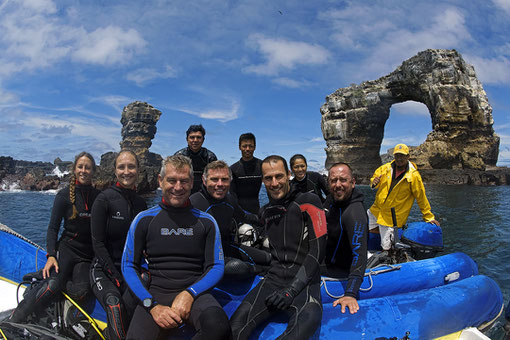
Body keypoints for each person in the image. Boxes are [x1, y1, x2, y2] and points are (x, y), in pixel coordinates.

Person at [121, 155, 230, 340]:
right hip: (155, 295)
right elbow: (128, 266)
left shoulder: (206, 221)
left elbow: (216, 266)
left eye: (184, 181)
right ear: (160, 181)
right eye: (172, 180)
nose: (178, 187)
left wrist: (190, 294)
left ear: (192, 183)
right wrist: (151, 305)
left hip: (196, 294)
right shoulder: (144, 220)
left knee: (218, 325)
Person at [230, 155, 327, 340]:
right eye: (268, 178)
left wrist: (291, 290)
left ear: (288, 175)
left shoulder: (309, 201)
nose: (274, 183)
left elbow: (318, 252)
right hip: (272, 282)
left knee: (302, 328)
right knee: (234, 328)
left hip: (304, 286)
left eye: (279, 176)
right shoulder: (266, 212)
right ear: (263, 180)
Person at [10, 152, 101, 322]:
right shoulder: (63, 196)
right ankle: (14, 320)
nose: (83, 170)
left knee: (81, 292)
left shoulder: (99, 198)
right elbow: (53, 228)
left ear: (93, 171)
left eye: (87, 167)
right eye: (80, 167)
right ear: (74, 169)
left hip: (86, 256)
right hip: (67, 248)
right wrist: (51, 255)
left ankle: (57, 280)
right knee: (52, 286)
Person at [90, 150, 147, 340]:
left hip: (130, 269)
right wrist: (116, 277)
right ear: (115, 171)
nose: (126, 171)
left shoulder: (141, 204)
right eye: (121, 167)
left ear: (138, 170)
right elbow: (97, 243)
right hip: (103, 269)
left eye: (131, 166)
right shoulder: (104, 199)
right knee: (115, 304)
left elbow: (145, 243)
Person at [190, 160, 270, 276]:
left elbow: (244, 216)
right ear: (204, 180)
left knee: (268, 258)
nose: (220, 184)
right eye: (214, 179)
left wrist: (267, 219)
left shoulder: (228, 200)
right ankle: (260, 271)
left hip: (226, 247)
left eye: (225, 179)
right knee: (238, 268)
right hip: (204, 257)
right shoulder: (195, 203)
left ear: (230, 180)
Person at [369, 143, 440, 251]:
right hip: (376, 210)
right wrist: (374, 182)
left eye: (402, 156)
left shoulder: (413, 176)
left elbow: (421, 196)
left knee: (387, 248)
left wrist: (428, 217)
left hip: (391, 218)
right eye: (397, 156)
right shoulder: (385, 168)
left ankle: (390, 262)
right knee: (359, 226)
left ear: (408, 157)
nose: (399, 159)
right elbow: (374, 180)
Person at [322, 163, 368, 314]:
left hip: (338, 270)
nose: (338, 185)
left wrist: (350, 294)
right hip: (324, 260)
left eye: (343, 180)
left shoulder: (354, 213)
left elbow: (359, 255)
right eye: (333, 180)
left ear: (353, 183)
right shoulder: (330, 200)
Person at [174, 124, 217, 194]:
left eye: (198, 137)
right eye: (192, 137)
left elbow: (215, 179)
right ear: (187, 139)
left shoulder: (210, 157)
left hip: (204, 193)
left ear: (203, 140)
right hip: (183, 192)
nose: (195, 140)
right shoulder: (179, 156)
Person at [229, 133, 263, 214]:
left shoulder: (262, 166)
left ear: (255, 147)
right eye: (244, 146)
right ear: (239, 147)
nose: (247, 149)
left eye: (250, 146)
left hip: (257, 210)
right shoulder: (233, 169)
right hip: (239, 212)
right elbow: (232, 195)